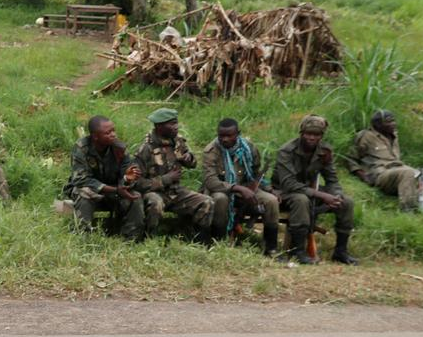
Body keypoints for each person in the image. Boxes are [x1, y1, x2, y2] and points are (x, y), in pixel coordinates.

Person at [272, 115, 357, 265]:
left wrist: (335, 196)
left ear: (321, 136)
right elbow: (289, 183)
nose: (311, 138)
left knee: (347, 202)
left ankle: (341, 251)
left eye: (316, 135)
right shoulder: (287, 151)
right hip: (284, 192)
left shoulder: (325, 151)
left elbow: (332, 179)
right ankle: (297, 251)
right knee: (301, 200)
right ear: (301, 133)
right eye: (308, 134)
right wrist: (322, 196)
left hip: (311, 191)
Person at [132, 108, 213, 242]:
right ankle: (148, 239)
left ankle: (197, 240)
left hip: (175, 192)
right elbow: (137, 183)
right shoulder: (145, 149)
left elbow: (193, 164)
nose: (176, 127)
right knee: (155, 203)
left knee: (206, 202)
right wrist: (165, 179)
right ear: (159, 126)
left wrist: (188, 158)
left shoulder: (177, 142)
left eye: (176, 123)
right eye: (171, 124)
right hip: (154, 192)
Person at [201, 118, 280, 255]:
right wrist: (237, 188)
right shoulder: (211, 150)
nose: (224, 139)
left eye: (229, 135)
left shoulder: (248, 148)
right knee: (220, 199)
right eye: (221, 135)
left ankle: (271, 248)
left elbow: (256, 174)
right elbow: (210, 181)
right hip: (220, 190)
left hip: (246, 188)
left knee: (271, 201)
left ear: (238, 133)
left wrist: (270, 190)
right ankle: (218, 243)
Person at [62, 115, 143, 239]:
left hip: (114, 191)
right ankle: (83, 237)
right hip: (93, 191)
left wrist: (128, 179)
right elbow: (81, 180)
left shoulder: (119, 148)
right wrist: (116, 190)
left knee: (135, 197)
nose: (113, 135)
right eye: (108, 133)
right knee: (83, 192)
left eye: (113, 130)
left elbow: (126, 175)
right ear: (95, 136)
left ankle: (131, 239)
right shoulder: (82, 148)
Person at [348, 110, 423, 212]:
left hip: (396, 170)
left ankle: (420, 204)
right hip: (380, 173)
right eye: (388, 121)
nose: (393, 124)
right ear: (378, 124)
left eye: (393, 121)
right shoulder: (366, 136)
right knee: (408, 173)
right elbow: (351, 158)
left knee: (420, 174)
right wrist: (362, 175)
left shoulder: (394, 135)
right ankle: (408, 211)